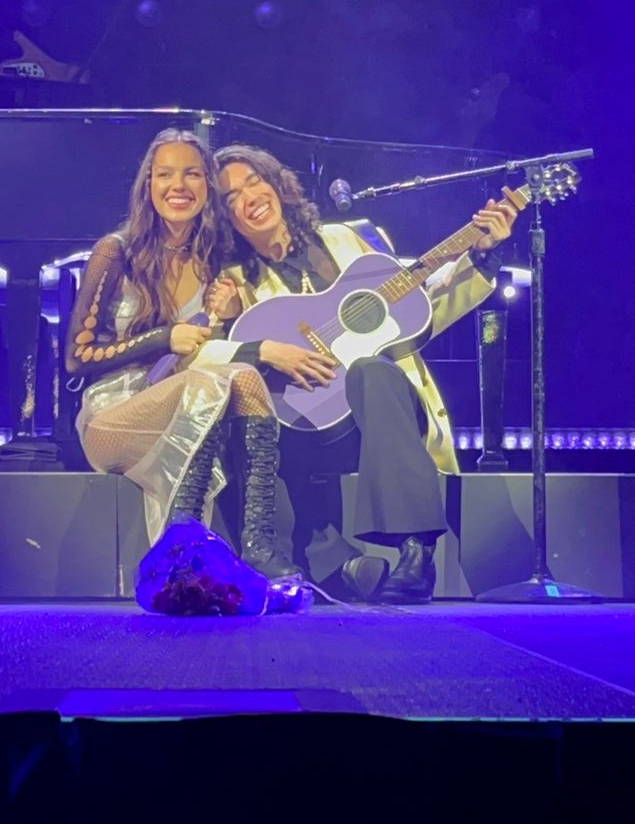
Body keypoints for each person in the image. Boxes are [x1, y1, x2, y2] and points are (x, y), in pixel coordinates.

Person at [209, 144, 518, 604]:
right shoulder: (236, 280)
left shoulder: (351, 239)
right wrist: (238, 330)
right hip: (307, 428)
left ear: (277, 185)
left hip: (382, 410)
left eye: (255, 181)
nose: (250, 196)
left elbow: (417, 307)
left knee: (374, 371)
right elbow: (212, 360)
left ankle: (417, 555)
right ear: (224, 216)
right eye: (232, 195)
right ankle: (328, 566)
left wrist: (480, 256)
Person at [65, 127, 299, 579]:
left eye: (191, 174)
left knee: (244, 379)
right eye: (165, 174)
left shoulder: (214, 261)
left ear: (207, 187)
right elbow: (77, 358)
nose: (178, 186)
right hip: (114, 417)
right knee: (204, 384)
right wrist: (161, 339)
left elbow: (207, 350)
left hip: (188, 400)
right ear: (147, 184)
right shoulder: (115, 253)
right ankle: (181, 548)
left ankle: (260, 548)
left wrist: (226, 316)